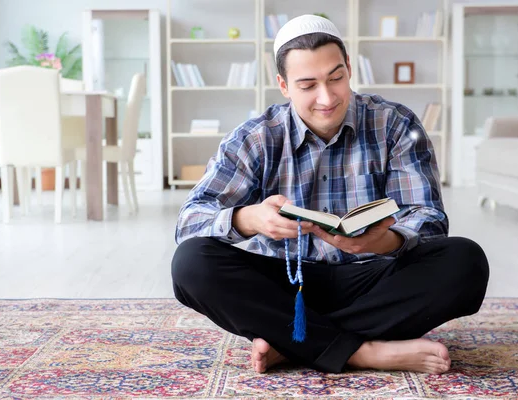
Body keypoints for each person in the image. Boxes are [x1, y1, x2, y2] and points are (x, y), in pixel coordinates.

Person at [171, 14, 489, 375]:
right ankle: (363, 352)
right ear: (284, 85)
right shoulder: (256, 137)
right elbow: (189, 222)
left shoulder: (394, 123)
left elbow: (428, 218)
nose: (327, 98)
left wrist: (382, 242)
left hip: (372, 277)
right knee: (191, 264)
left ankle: (293, 342)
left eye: (336, 78)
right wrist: (250, 218)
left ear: (349, 68)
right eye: (307, 85)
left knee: (466, 261)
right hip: (285, 283)